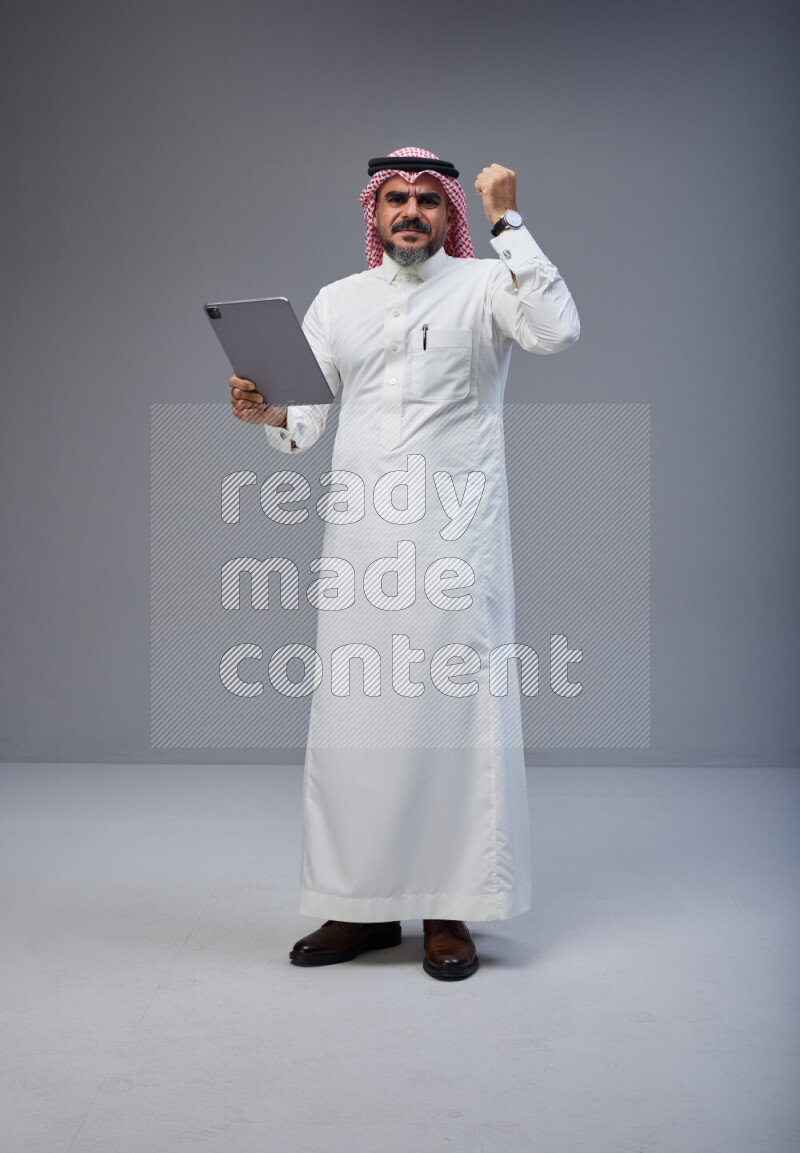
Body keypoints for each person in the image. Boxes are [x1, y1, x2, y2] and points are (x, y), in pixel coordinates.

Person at [229, 146, 579, 980]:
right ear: (374, 213)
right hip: (360, 545)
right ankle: (360, 906)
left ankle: (449, 911)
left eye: (428, 198)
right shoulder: (338, 302)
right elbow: (305, 418)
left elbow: (557, 329)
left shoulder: (487, 284)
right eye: (396, 198)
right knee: (356, 724)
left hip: (457, 544)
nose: (411, 211)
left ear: (450, 211)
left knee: (454, 720)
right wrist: (266, 409)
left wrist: (509, 222)